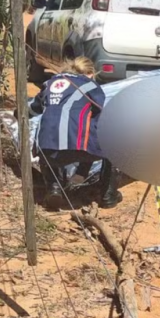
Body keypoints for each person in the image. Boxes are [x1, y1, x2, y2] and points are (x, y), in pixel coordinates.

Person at [29, 56, 122, 211]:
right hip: (80, 149)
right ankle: (108, 196)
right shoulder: (91, 86)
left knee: (48, 134)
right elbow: (99, 115)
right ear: (91, 74)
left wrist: (17, 114)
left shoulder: (49, 83)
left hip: (48, 150)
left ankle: (54, 188)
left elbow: (33, 109)